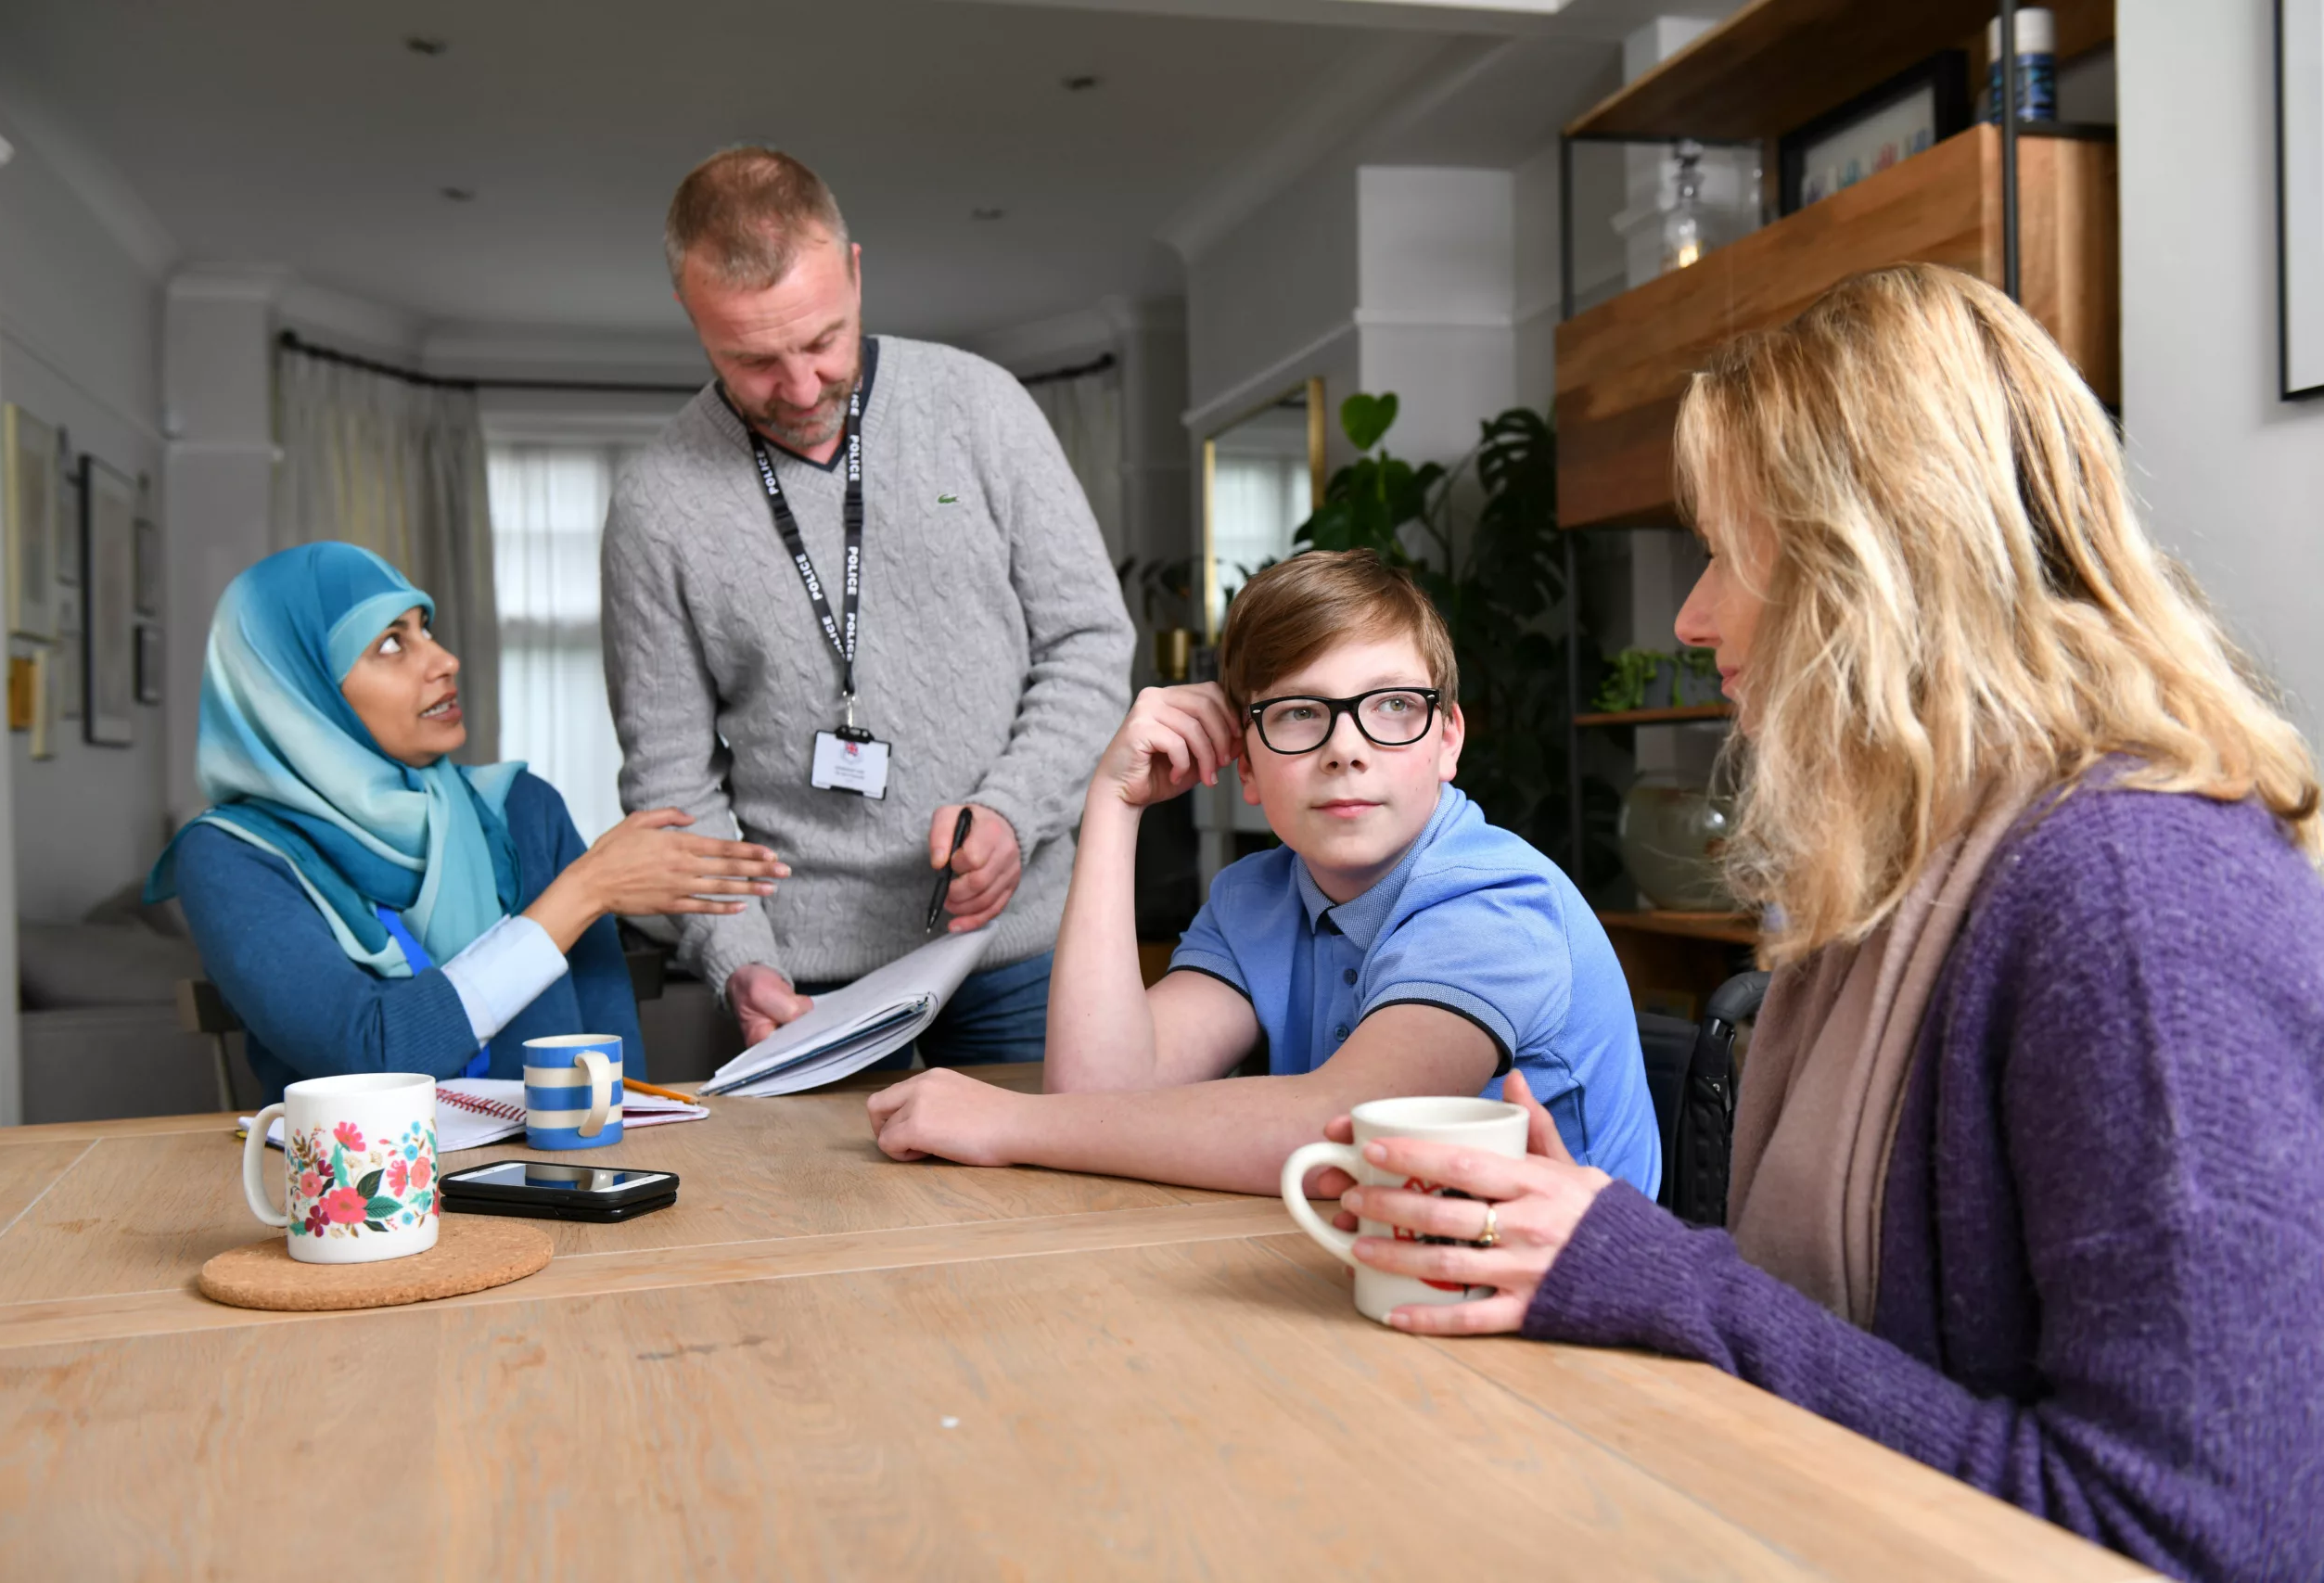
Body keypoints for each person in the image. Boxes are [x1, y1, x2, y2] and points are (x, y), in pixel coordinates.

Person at [1313, 266, 2324, 1580]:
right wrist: (1587, 1235)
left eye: (1727, 552)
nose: (1691, 615)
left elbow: (2201, 1538)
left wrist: (1650, 1276)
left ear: (1871, 566)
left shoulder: (2134, 900)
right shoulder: (1910, 874)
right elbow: (1850, 1326)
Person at [865, 549, 1661, 1196]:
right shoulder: (1259, 895)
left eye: (1390, 706)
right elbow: (1100, 1089)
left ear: (1448, 739)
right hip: (1372, 1278)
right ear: (1243, 766)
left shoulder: (1493, 902)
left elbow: (1346, 1124)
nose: (1346, 748)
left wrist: (1008, 1123)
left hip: (1572, 1336)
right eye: (1299, 713)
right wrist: (1113, 803)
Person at [602, 147, 1131, 1063]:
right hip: (806, 983)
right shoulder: (656, 505)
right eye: (755, 360)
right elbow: (672, 786)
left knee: (1049, 1203)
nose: (802, 391)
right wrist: (737, 960)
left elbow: (1087, 645)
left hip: (1018, 943)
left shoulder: (979, 406)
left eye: (821, 341)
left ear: (854, 270)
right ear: (692, 315)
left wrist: (1009, 811)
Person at [148, 543, 784, 1103]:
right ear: (298, 693)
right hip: (365, 1210)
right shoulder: (232, 856)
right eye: (391, 643)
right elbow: (371, 1054)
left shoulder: (523, 808)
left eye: (426, 628)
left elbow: (610, 1061)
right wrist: (583, 893)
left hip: (557, 1185)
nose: (444, 659)